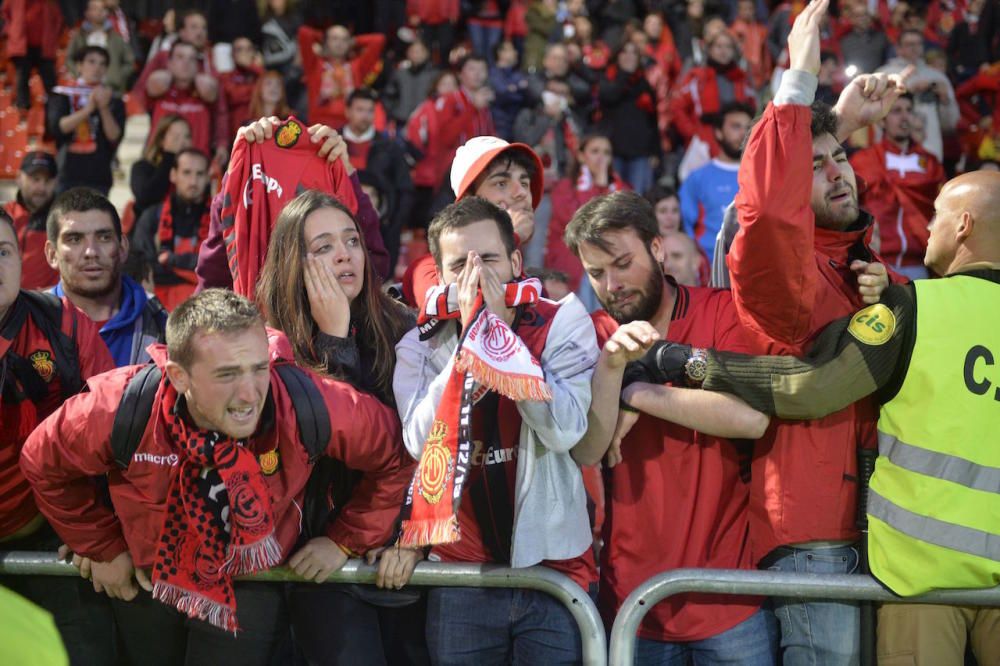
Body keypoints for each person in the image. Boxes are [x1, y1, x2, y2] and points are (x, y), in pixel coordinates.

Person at [652, 168, 1000, 666]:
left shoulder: (915, 307)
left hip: (924, 582)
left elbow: (809, 387)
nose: (927, 226)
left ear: (963, 225)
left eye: (939, 213)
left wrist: (689, 363)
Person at [20, 288, 413, 666]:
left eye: (258, 368)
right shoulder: (118, 407)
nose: (249, 394)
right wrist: (102, 546)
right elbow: (41, 461)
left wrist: (346, 539)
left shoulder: (307, 401)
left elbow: (398, 453)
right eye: (227, 375)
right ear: (178, 376)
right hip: (147, 580)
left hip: (251, 581)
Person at [724, 1, 908, 662]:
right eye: (817, 163)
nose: (837, 170)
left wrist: (844, 119)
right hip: (814, 538)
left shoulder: (846, 263)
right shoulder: (786, 276)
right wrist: (798, 81)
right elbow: (770, 210)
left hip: (874, 527)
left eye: (841, 158)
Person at [564, 190, 776, 664]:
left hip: (731, 597)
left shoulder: (720, 311)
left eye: (622, 263)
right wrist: (615, 367)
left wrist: (638, 392)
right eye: (596, 272)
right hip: (634, 605)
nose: (611, 283)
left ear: (657, 249)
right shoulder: (593, 334)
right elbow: (588, 449)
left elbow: (752, 419)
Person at [392, 196, 599, 664]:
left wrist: (503, 344)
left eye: (487, 259)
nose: (474, 276)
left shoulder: (561, 318)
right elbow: (419, 443)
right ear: (439, 275)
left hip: (552, 565)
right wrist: (472, 339)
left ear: (515, 262)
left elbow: (565, 428)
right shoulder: (418, 344)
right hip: (462, 573)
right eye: (458, 265)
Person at [256, 189, 428, 665]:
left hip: (396, 560)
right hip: (317, 565)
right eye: (323, 247)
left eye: (351, 240)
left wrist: (396, 542)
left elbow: (412, 449)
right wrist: (332, 341)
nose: (343, 255)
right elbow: (321, 450)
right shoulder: (268, 342)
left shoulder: (404, 329)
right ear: (292, 260)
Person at [0, 208, 117, 665]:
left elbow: (115, 433)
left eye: (3, 251)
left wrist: (98, 524)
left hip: (54, 534)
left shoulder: (64, 325)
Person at [400, 135, 544, 311]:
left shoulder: (535, 285)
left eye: (524, 182)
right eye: (501, 184)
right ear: (469, 200)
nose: (521, 192)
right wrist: (510, 236)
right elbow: (455, 303)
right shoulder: (428, 268)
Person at [44, 188, 167, 367]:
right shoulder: (29, 323)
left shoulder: (160, 323)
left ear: (123, 247)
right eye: (74, 239)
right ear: (52, 254)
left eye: (103, 237)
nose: (91, 252)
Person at [849, 93, 946, 279]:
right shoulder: (863, 161)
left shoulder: (931, 163)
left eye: (909, 111)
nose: (904, 117)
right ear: (882, 121)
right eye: (896, 111)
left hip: (920, 265)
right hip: (876, 262)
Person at [545, 134, 628, 293]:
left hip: (607, 265)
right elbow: (580, 222)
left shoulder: (620, 188)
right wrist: (599, 186)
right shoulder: (564, 187)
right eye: (595, 151)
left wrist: (604, 185)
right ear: (582, 156)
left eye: (606, 153)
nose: (601, 158)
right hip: (572, 265)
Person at [342, 89, 414, 271]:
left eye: (369, 111)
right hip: (340, 223)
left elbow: (405, 190)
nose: (365, 116)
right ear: (348, 111)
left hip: (382, 230)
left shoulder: (390, 148)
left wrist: (394, 224)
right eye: (360, 110)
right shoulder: (331, 142)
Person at [132, 148, 212, 310]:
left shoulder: (220, 218)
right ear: (173, 175)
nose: (193, 181)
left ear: (208, 177)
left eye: (200, 174)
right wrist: (191, 268)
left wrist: (170, 261)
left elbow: (217, 265)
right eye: (187, 173)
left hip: (205, 309)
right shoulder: (152, 215)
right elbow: (142, 264)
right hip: (156, 309)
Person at [46, 45, 126, 195]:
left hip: (99, 174)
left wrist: (103, 108)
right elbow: (58, 128)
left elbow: (115, 136)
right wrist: (87, 110)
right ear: (79, 66)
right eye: (92, 62)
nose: (97, 68)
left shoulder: (114, 100)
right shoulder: (62, 94)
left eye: (103, 64)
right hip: (67, 171)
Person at [679, 101, 753, 259]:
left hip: (752, 268)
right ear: (718, 132)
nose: (743, 134)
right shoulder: (697, 178)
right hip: (710, 269)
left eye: (747, 128)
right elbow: (684, 226)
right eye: (735, 126)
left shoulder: (763, 176)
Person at [669, 29, 757, 154]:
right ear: (709, 49)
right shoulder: (696, 77)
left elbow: (753, 110)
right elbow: (677, 108)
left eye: (728, 46)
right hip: (704, 145)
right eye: (718, 46)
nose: (723, 51)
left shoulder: (742, 79)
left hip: (736, 145)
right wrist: (693, 135)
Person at [878, 28, 959, 161]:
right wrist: (908, 90)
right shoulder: (884, 75)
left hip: (930, 148)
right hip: (892, 151)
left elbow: (950, 125)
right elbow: (875, 117)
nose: (915, 48)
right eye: (910, 44)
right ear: (898, 48)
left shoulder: (937, 77)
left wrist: (945, 101)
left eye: (918, 44)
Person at [145, 40, 227, 162]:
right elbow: (151, 85)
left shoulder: (205, 90)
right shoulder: (160, 88)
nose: (186, 63)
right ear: (169, 63)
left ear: (197, 65)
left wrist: (222, 144)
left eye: (191, 59)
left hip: (196, 166)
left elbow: (221, 115)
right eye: (180, 57)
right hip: (160, 162)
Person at [597, 41, 659, 195]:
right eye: (625, 52)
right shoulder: (609, 79)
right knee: (612, 200)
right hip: (613, 152)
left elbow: (653, 121)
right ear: (617, 56)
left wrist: (655, 152)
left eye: (634, 53)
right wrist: (624, 75)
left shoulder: (644, 84)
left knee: (636, 201)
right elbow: (609, 96)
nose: (629, 56)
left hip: (640, 153)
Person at [298, 23, 386, 128]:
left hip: (348, 129)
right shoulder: (314, 65)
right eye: (334, 38)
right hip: (318, 128)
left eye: (344, 39)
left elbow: (378, 40)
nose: (339, 43)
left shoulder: (357, 67)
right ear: (326, 42)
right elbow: (304, 33)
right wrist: (323, 37)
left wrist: (354, 41)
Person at [4, 152, 59, 289]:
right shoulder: (5, 215)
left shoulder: (65, 220)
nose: (41, 188)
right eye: (35, 179)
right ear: (19, 178)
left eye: (47, 181)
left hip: (45, 305)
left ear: (56, 182)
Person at [1, 0, 62, 112]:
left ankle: (56, 111)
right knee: (22, 78)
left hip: (44, 47)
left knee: (50, 82)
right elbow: (6, 15)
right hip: (21, 46)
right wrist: (12, 30)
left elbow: (57, 19)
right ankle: (23, 111)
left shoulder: (50, 2)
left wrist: (52, 36)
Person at [130, 115, 193, 223]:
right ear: (161, 140)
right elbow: (147, 197)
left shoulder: (195, 171)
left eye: (187, 136)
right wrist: (169, 157)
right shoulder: (142, 167)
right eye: (176, 137)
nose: (182, 142)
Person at [66, 0, 136, 95]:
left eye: (102, 9)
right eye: (95, 8)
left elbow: (130, 62)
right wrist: (78, 73)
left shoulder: (117, 38)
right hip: (82, 89)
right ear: (87, 12)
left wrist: (117, 76)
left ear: (107, 13)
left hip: (112, 89)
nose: (99, 12)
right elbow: (69, 58)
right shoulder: (79, 36)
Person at [382, 39, 439, 130]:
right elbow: (388, 95)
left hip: (426, 122)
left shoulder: (435, 75)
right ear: (407, 53)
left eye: (419, 51)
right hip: (401, 121)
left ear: (426, 53)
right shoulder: (399, 74)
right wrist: (393, 113)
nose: (416, 54)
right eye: (413, 51)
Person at [219, 36, 263, 141]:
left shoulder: (259, 74)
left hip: (260, 133)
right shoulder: (226, 76)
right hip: (235, 135)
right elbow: (235, 96)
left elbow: (271, 88)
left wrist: (255, 68)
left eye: (248, 49)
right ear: (232, 55)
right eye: (240, 49)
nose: (244, 53)